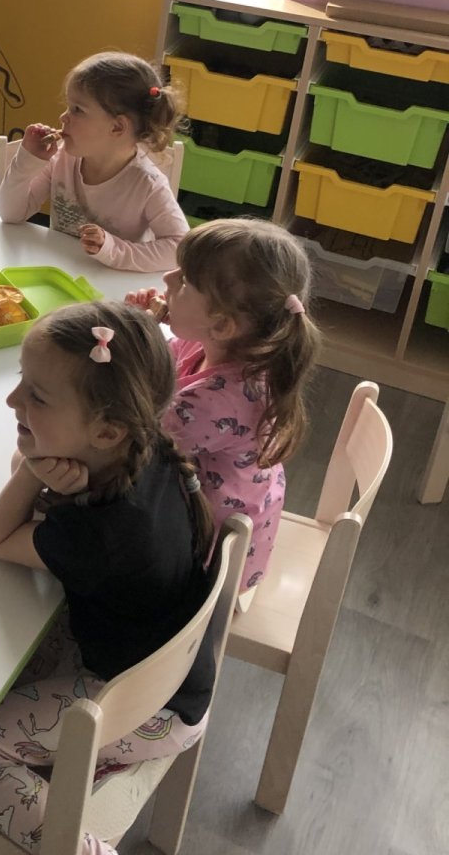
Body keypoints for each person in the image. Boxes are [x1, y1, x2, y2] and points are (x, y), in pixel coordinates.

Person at [0, 301, 215, 855]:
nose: (13, 400)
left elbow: (0, 537)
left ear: (107, 431)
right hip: (172, 675)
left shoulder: (100, 537)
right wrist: (49, 471)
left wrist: (33, 471)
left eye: (35, 396)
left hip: (147, 707)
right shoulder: (145, 454)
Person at [127, 218, 321, 596]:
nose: (167, 278)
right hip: (243, 511)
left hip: (213, 559)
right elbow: (163, 371)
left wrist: (124, 350)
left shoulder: (214, 402)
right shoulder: (221, 347)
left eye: (184, 281)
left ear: (222, 325)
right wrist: (145, 332)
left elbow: (130, 443)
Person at [0, 51, 188, 271]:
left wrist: (112, 250)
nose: (63, 117)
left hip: (112, 284)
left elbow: (179, 249)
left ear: (117, 127)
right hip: (59, 272)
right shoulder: (62, 158)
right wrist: (27, 162)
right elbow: (11, 214)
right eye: (68, 106)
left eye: (77, 110)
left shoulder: (148, 185)